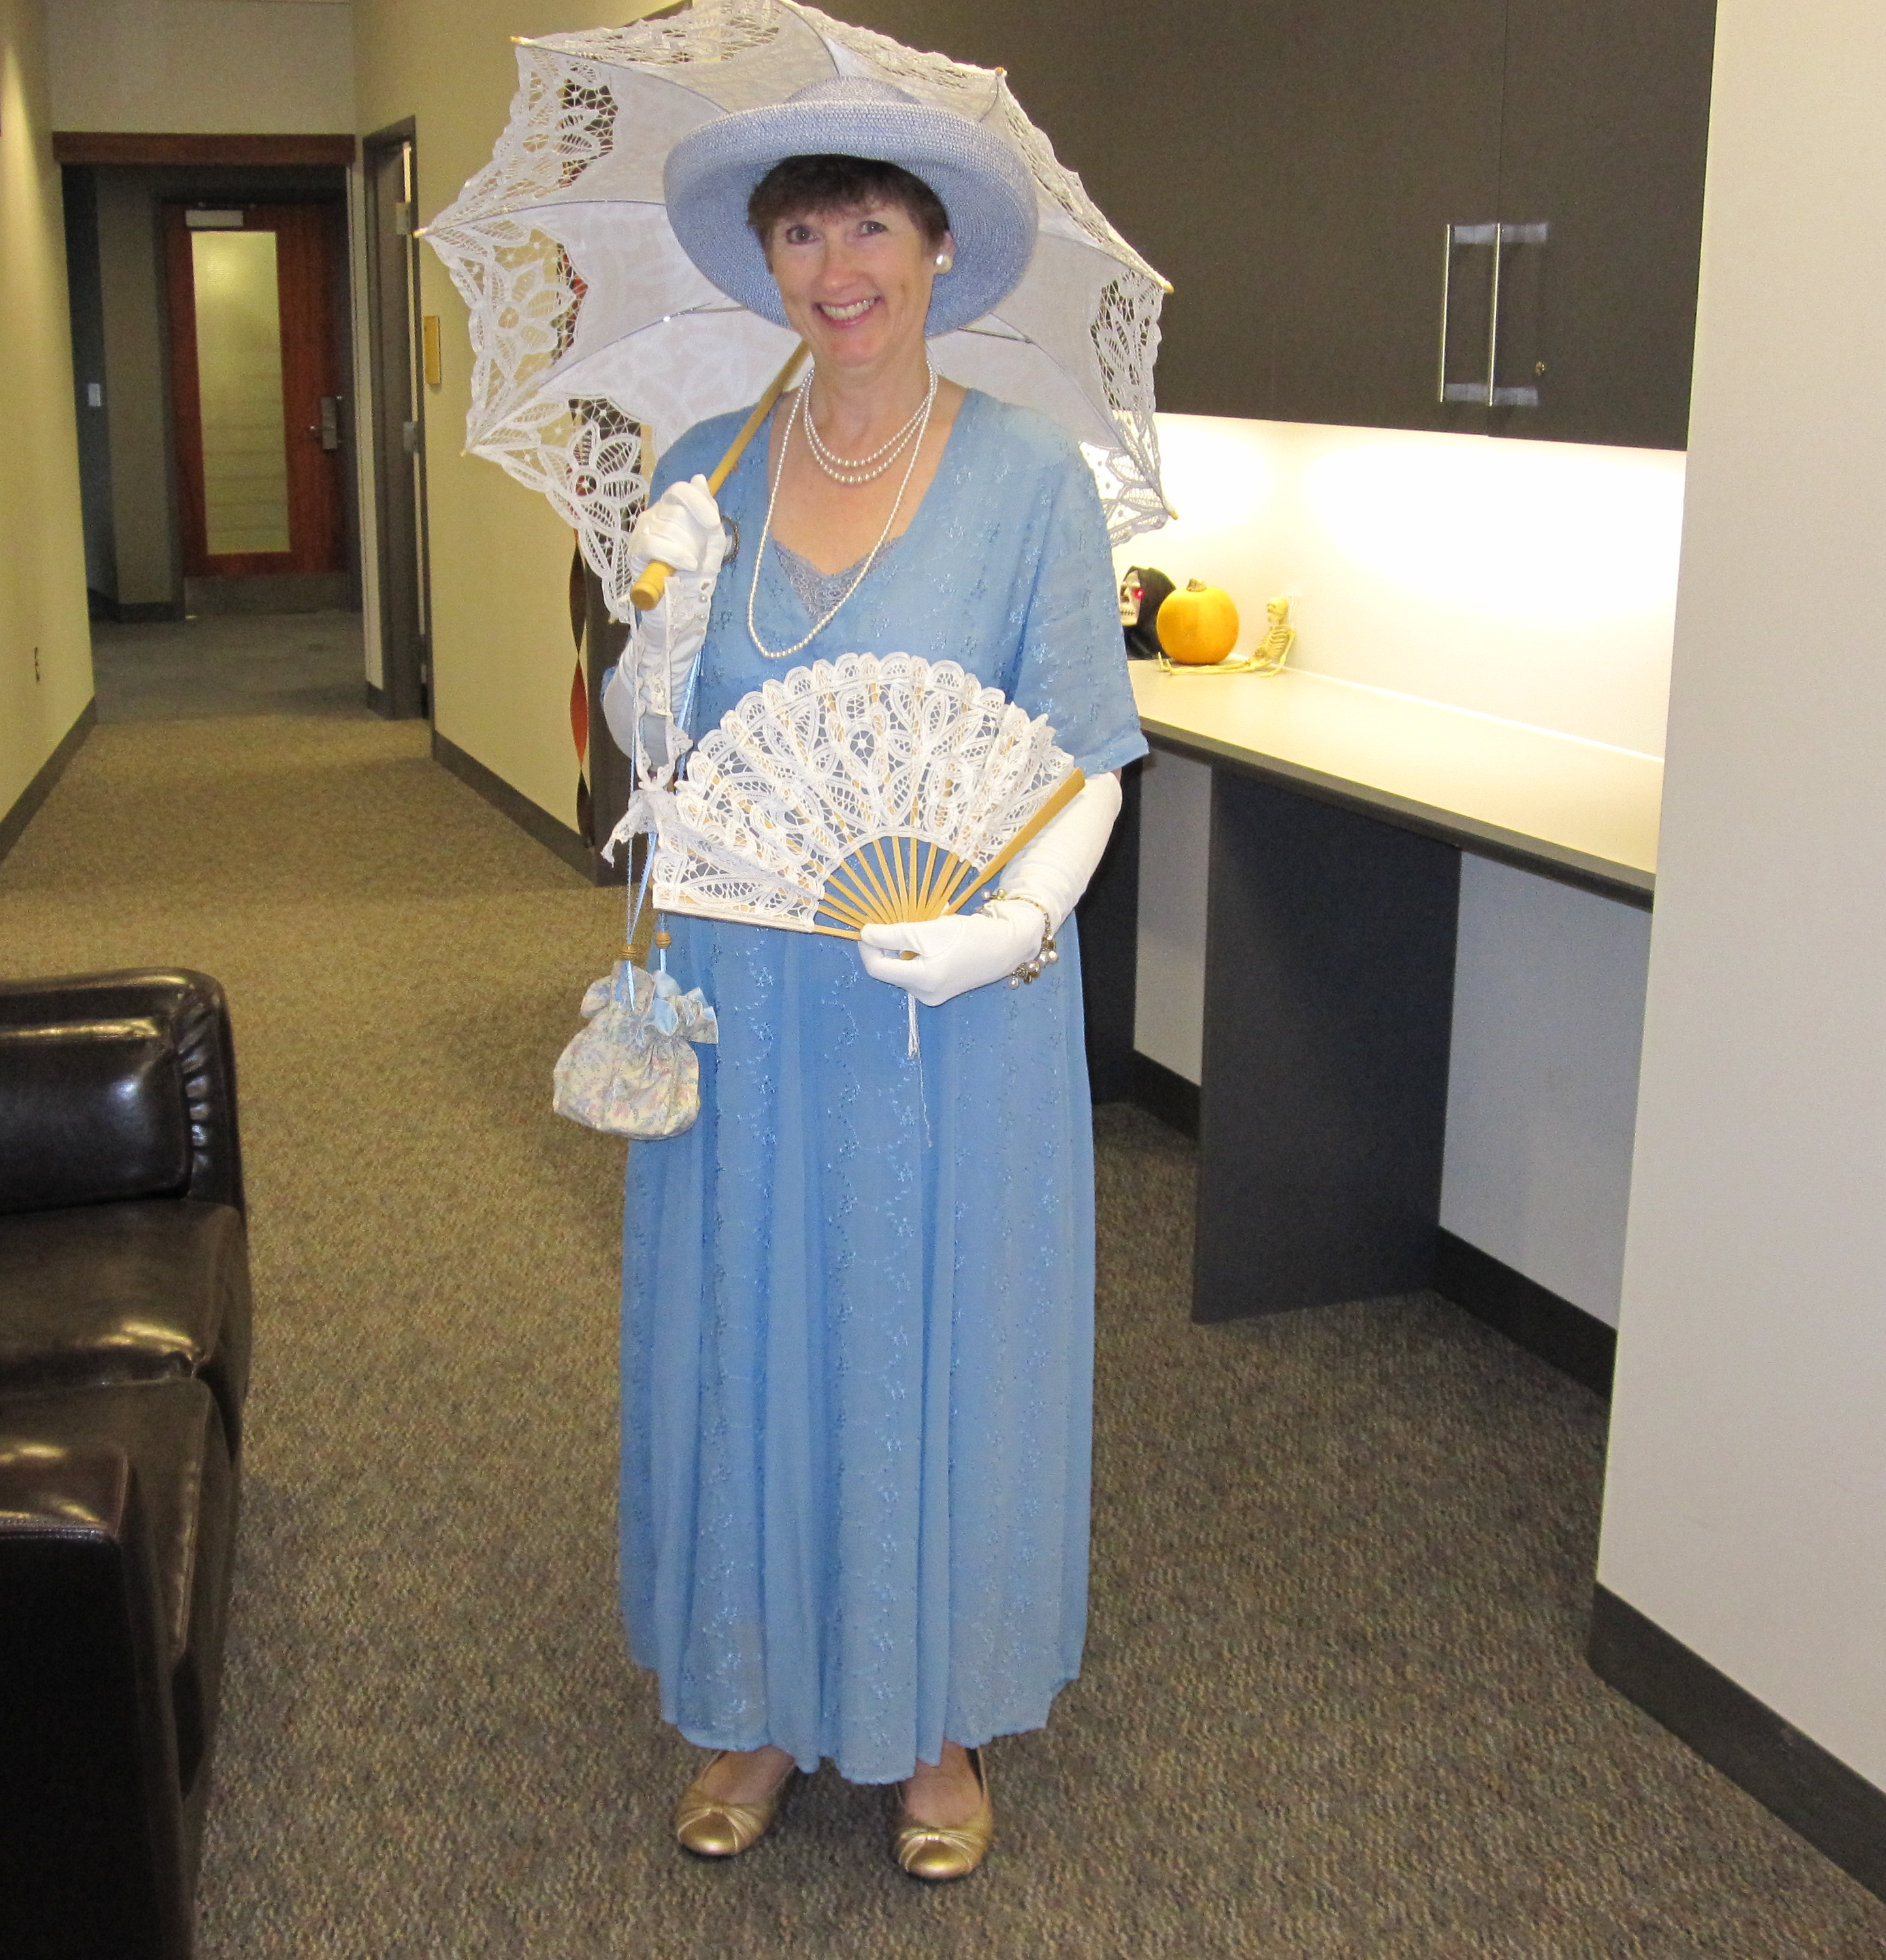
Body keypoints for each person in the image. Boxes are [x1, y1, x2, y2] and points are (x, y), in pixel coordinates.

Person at [605, 78, 1146, 1882]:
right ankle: (754, 1696)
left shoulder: (1028, 477)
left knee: (936, 1336)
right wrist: (657, 628)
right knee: (752, 1326)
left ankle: (936, 1721)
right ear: (767, 259)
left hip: (948, 997)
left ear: (938, 251)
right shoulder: (705, 465)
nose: (836, 267)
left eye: (870, 227)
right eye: (801, 230)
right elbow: (660, 768)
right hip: (746, 992)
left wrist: (1017, 926)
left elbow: (1088, 761)